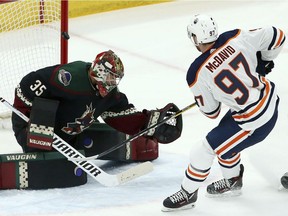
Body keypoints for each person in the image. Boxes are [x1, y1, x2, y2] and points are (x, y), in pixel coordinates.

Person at [162, 14, 286, 211]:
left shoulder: (196, 71)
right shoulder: (235, 36)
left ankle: (188, 193)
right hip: (269, 100)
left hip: (253, 119)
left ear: (195, 39)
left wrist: (211, 94)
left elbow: (212, 112)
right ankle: (232, 180)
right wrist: (265, 62)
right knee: (224, 142)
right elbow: (277, 35)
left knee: (203, 150)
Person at [12, 50, 183, 159]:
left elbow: (121, 116)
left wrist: (149, 124)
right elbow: (28, 84)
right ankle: (40, 150)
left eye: (115, 78)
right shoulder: (69, 78)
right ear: (99, 71)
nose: (112, 82)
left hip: (66, 137)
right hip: (31, 130)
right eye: (110, 77)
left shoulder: (109, 93)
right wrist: (33, 120)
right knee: (51, 162)